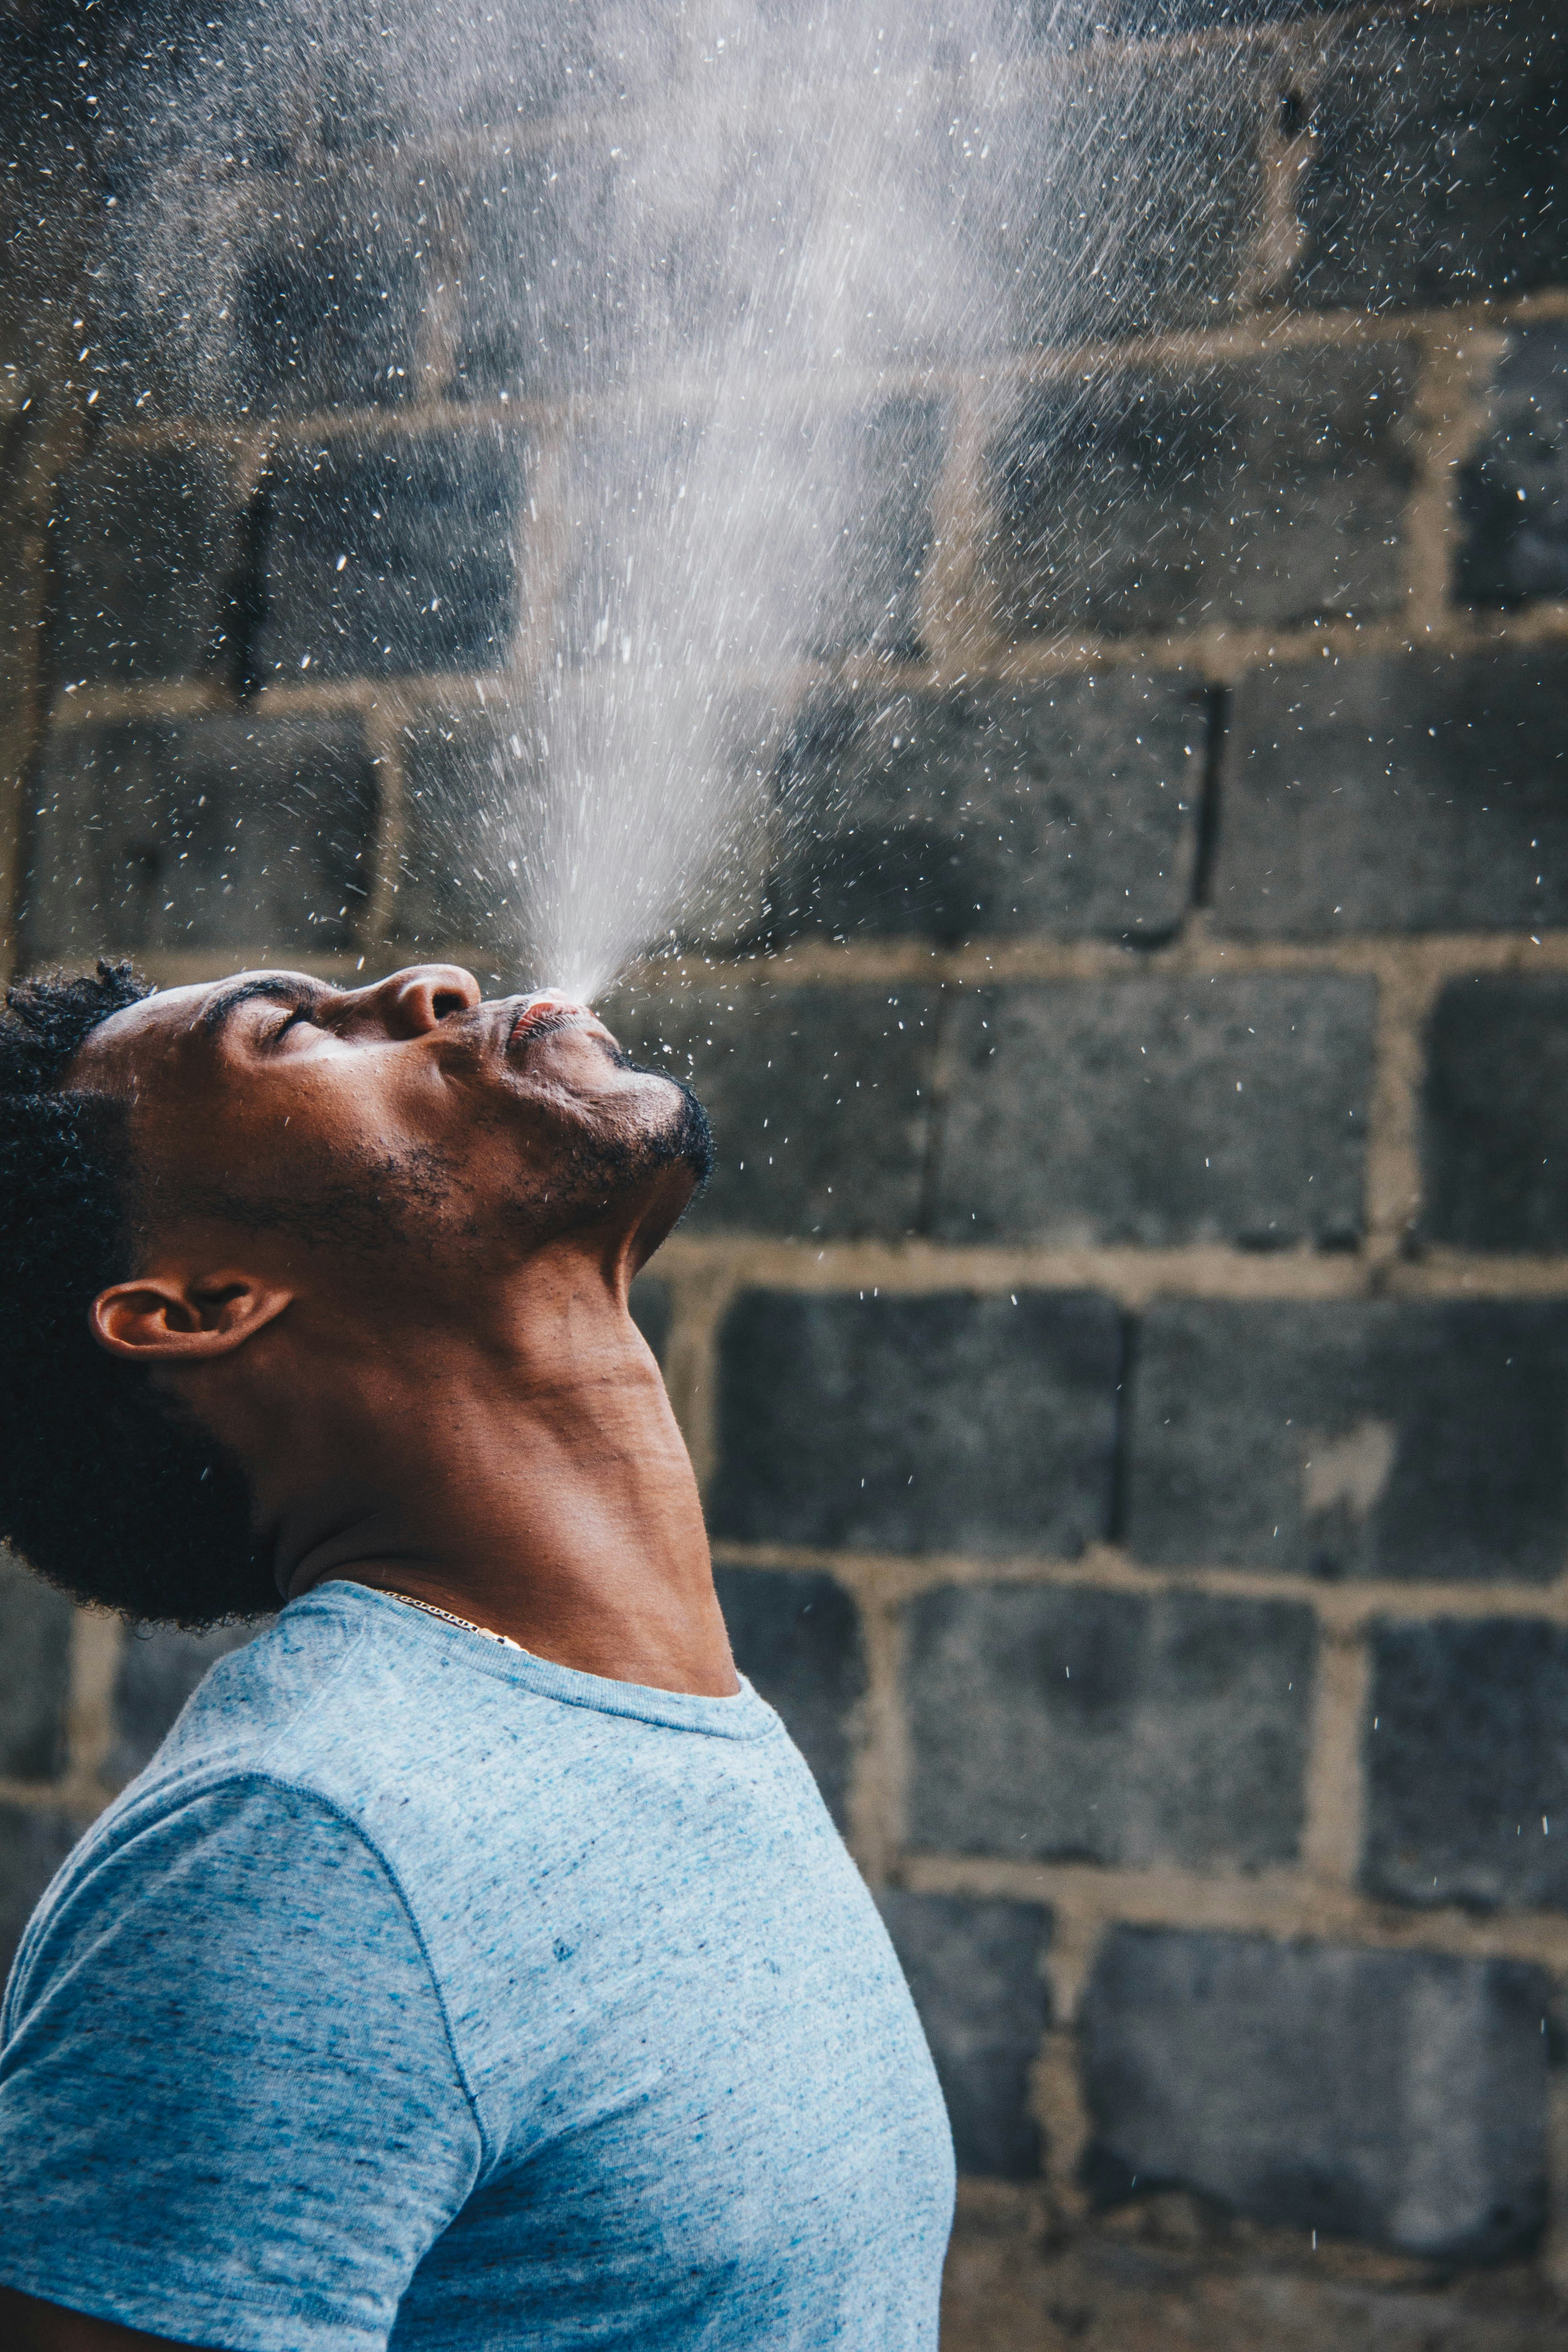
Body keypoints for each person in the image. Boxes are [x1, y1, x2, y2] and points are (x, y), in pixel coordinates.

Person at [0, 959, 954, 2352]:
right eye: (289, 1033)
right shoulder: (305, 1848)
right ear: (202, 1303)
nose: (435, 982)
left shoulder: (656, 1713)